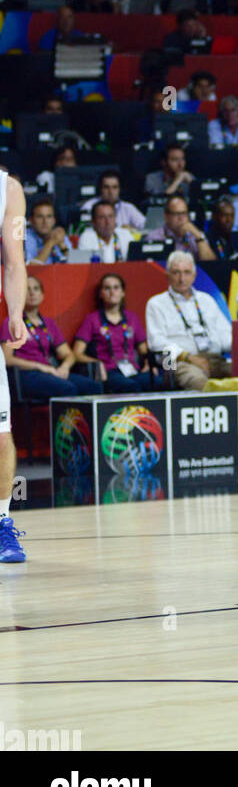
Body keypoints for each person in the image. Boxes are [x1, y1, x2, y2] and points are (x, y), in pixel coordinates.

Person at [1, 273, 99, 403]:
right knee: (67, 388)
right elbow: (6, 359)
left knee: (92, 386)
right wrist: (39, 366)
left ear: (42, 295)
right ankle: (68, 424)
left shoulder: (49, 323)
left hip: (51, 372)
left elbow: (68, 354)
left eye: (36, 289)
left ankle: (90, 424)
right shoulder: (12, 322)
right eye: (27, 289)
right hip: (27, 374)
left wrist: (64, 367)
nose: (32, 293)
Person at [145, 251, 232, 391]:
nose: (182, 278)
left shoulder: (206, 300)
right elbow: (156, 343)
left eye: (187, 272)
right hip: (176, 362)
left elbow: (226, 335)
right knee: (198, 381)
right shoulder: (156, 303)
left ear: (194, 276)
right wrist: (189, 357)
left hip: (213, 358)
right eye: (176, 273)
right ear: (167, 276)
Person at [0, 167, 31, 560]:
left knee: (1, 434)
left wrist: (17, 312)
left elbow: (14, 261)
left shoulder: (9, 189)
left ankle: (2, 523)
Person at [72, 274, 154, 393]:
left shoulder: (132, 318)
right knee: (131, 387)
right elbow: (76, 353)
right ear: (101, 294)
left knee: (157, 382)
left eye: (116, 288)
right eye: (107, 288)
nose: (112, 292)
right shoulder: (92, 319)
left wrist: (148, 365)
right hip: (109, 371)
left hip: (132, 370)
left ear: (123, 293)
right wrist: (96, 362)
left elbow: (144, 351)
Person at [144, 195, 214, 261]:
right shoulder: (154, 237)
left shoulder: (195, 235)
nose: (181, 218)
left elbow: (210, 264)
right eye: (176, 214)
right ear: (166, 216)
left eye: (184, 213)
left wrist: (198, 236)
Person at [79, 170, 146, 231]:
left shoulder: (127, 207)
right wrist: (120, 230)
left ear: (120, 189)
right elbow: (86, 229)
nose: (110, 192)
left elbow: (145, 226)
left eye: (114, 187)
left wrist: (133, 229)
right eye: (106, 187)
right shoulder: (89, 206)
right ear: (100, 189)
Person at [23, 197, 73, 263]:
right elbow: (31, 268)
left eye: (49, 216)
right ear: (31, 220)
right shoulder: (25, 239)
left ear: (54, 220)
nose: (45, 221)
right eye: (40, 217)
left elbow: (75, 266)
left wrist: (62, 245)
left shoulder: (58, 235)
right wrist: (50, 243)